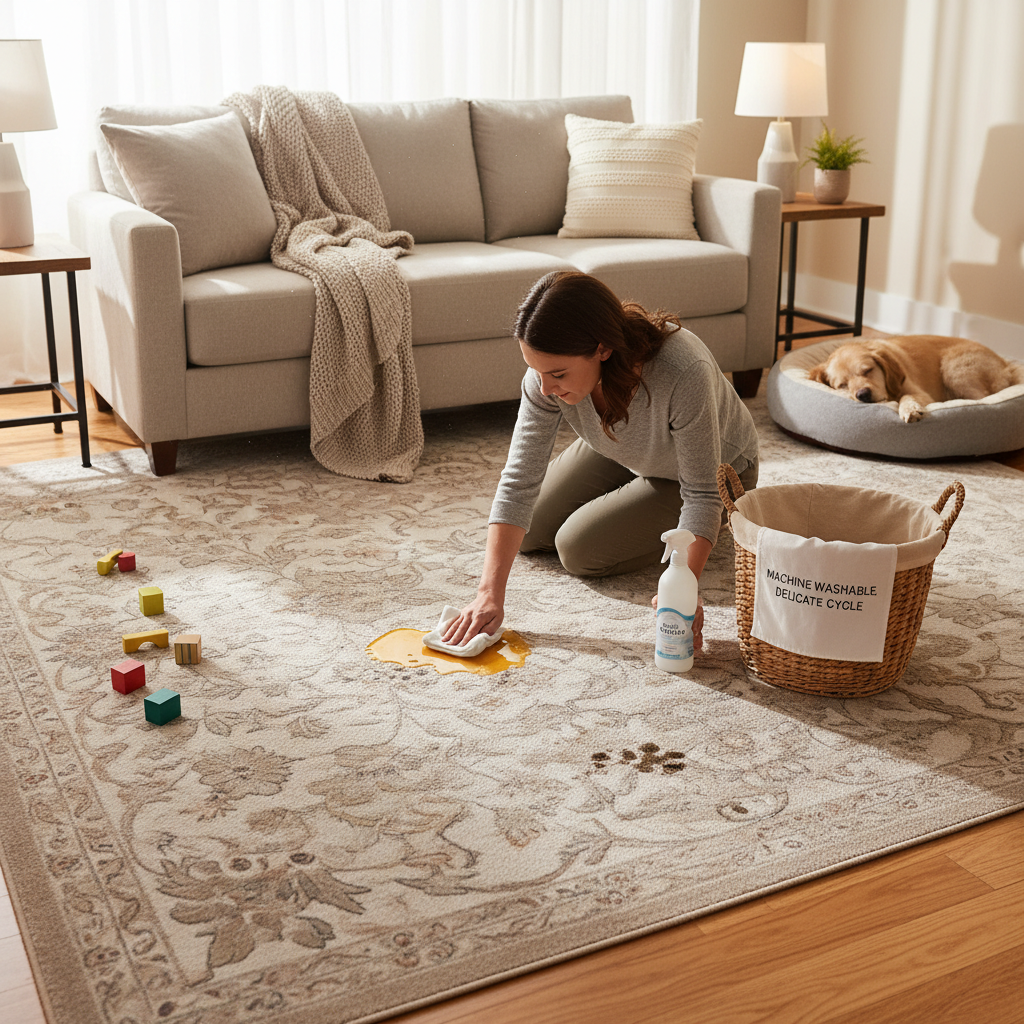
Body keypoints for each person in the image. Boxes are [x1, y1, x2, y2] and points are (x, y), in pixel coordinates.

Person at [442, 270, 759, 655]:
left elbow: (702, 494)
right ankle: (635, 496)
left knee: (577, 549)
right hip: (619, 446)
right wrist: (488, 594)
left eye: (557, 374)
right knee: (527, 532)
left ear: (602, 349)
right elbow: (519, 479)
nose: (545, 389)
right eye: (536, 370)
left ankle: (710, 530)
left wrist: (685, 586)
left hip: (715, 472)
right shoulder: (545, 381)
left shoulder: (682, 371)